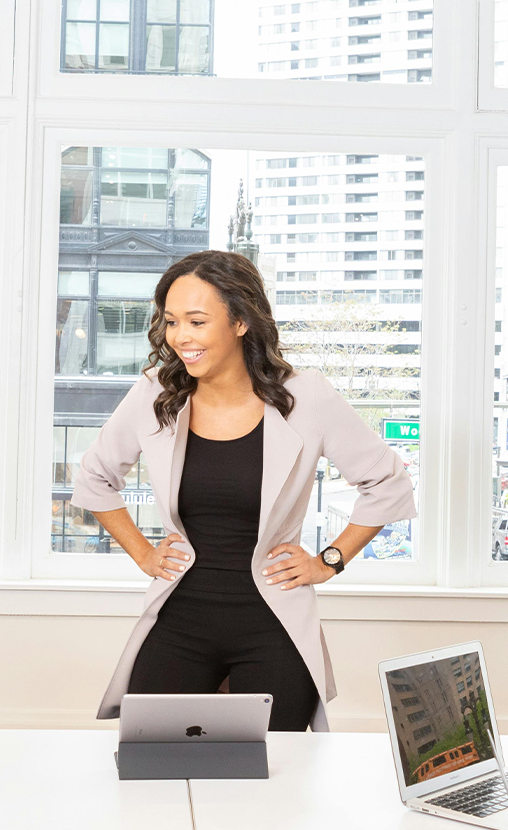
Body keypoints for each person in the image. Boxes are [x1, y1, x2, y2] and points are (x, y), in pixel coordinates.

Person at [70, 250, 417, 731]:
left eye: (196, 320)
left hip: (273, 625)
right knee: (153, 764)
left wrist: (329, 561)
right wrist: (145, 555)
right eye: (172, 322)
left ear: (240, 321)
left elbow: (387, 482)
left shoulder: (305, 396)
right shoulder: (156, 393)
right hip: (181, 618)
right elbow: (94, 477)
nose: (180, 337)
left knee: (276, 778)